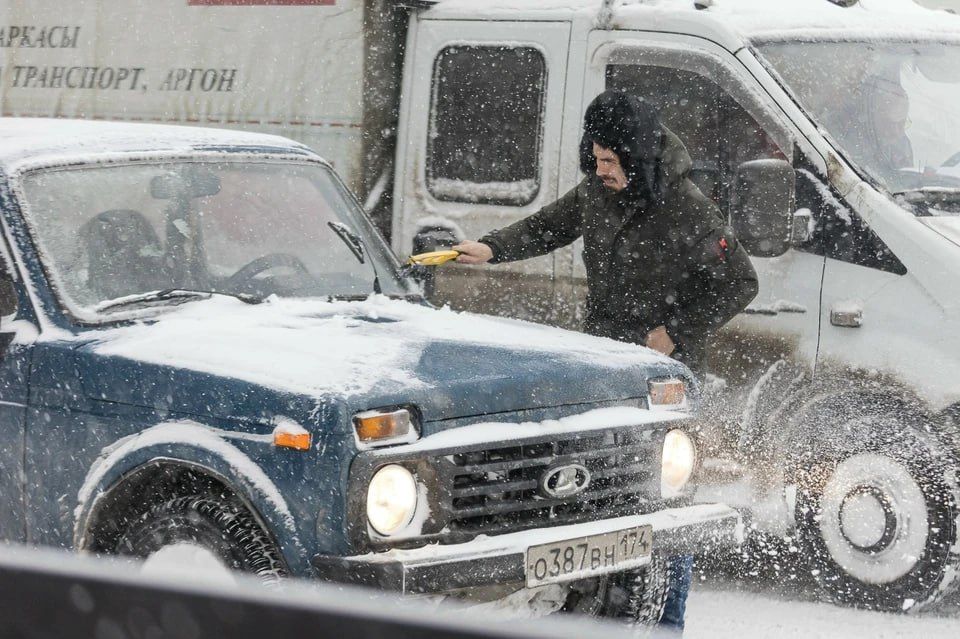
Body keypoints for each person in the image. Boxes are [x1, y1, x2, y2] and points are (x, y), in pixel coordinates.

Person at [453, 90, 759, 633]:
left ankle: (666, 624)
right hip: (604, 364)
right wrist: (491, 248)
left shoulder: (689, 207)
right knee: (603, 498)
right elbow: (546, 226)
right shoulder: (598, 190)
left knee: (664, 507)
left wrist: (674, 332)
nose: (601, 171)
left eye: (611, 162)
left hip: (664, 379)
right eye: (594, 159)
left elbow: (740, 284)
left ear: (638, 159)